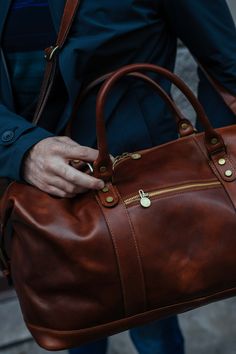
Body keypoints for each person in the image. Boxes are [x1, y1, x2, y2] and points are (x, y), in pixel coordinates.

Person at [0, 1, 235, 353]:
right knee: (81, 329)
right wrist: (20, 149)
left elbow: (225, 64)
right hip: (45, 206)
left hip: (145, 201)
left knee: (158, 321)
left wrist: (207, 168)